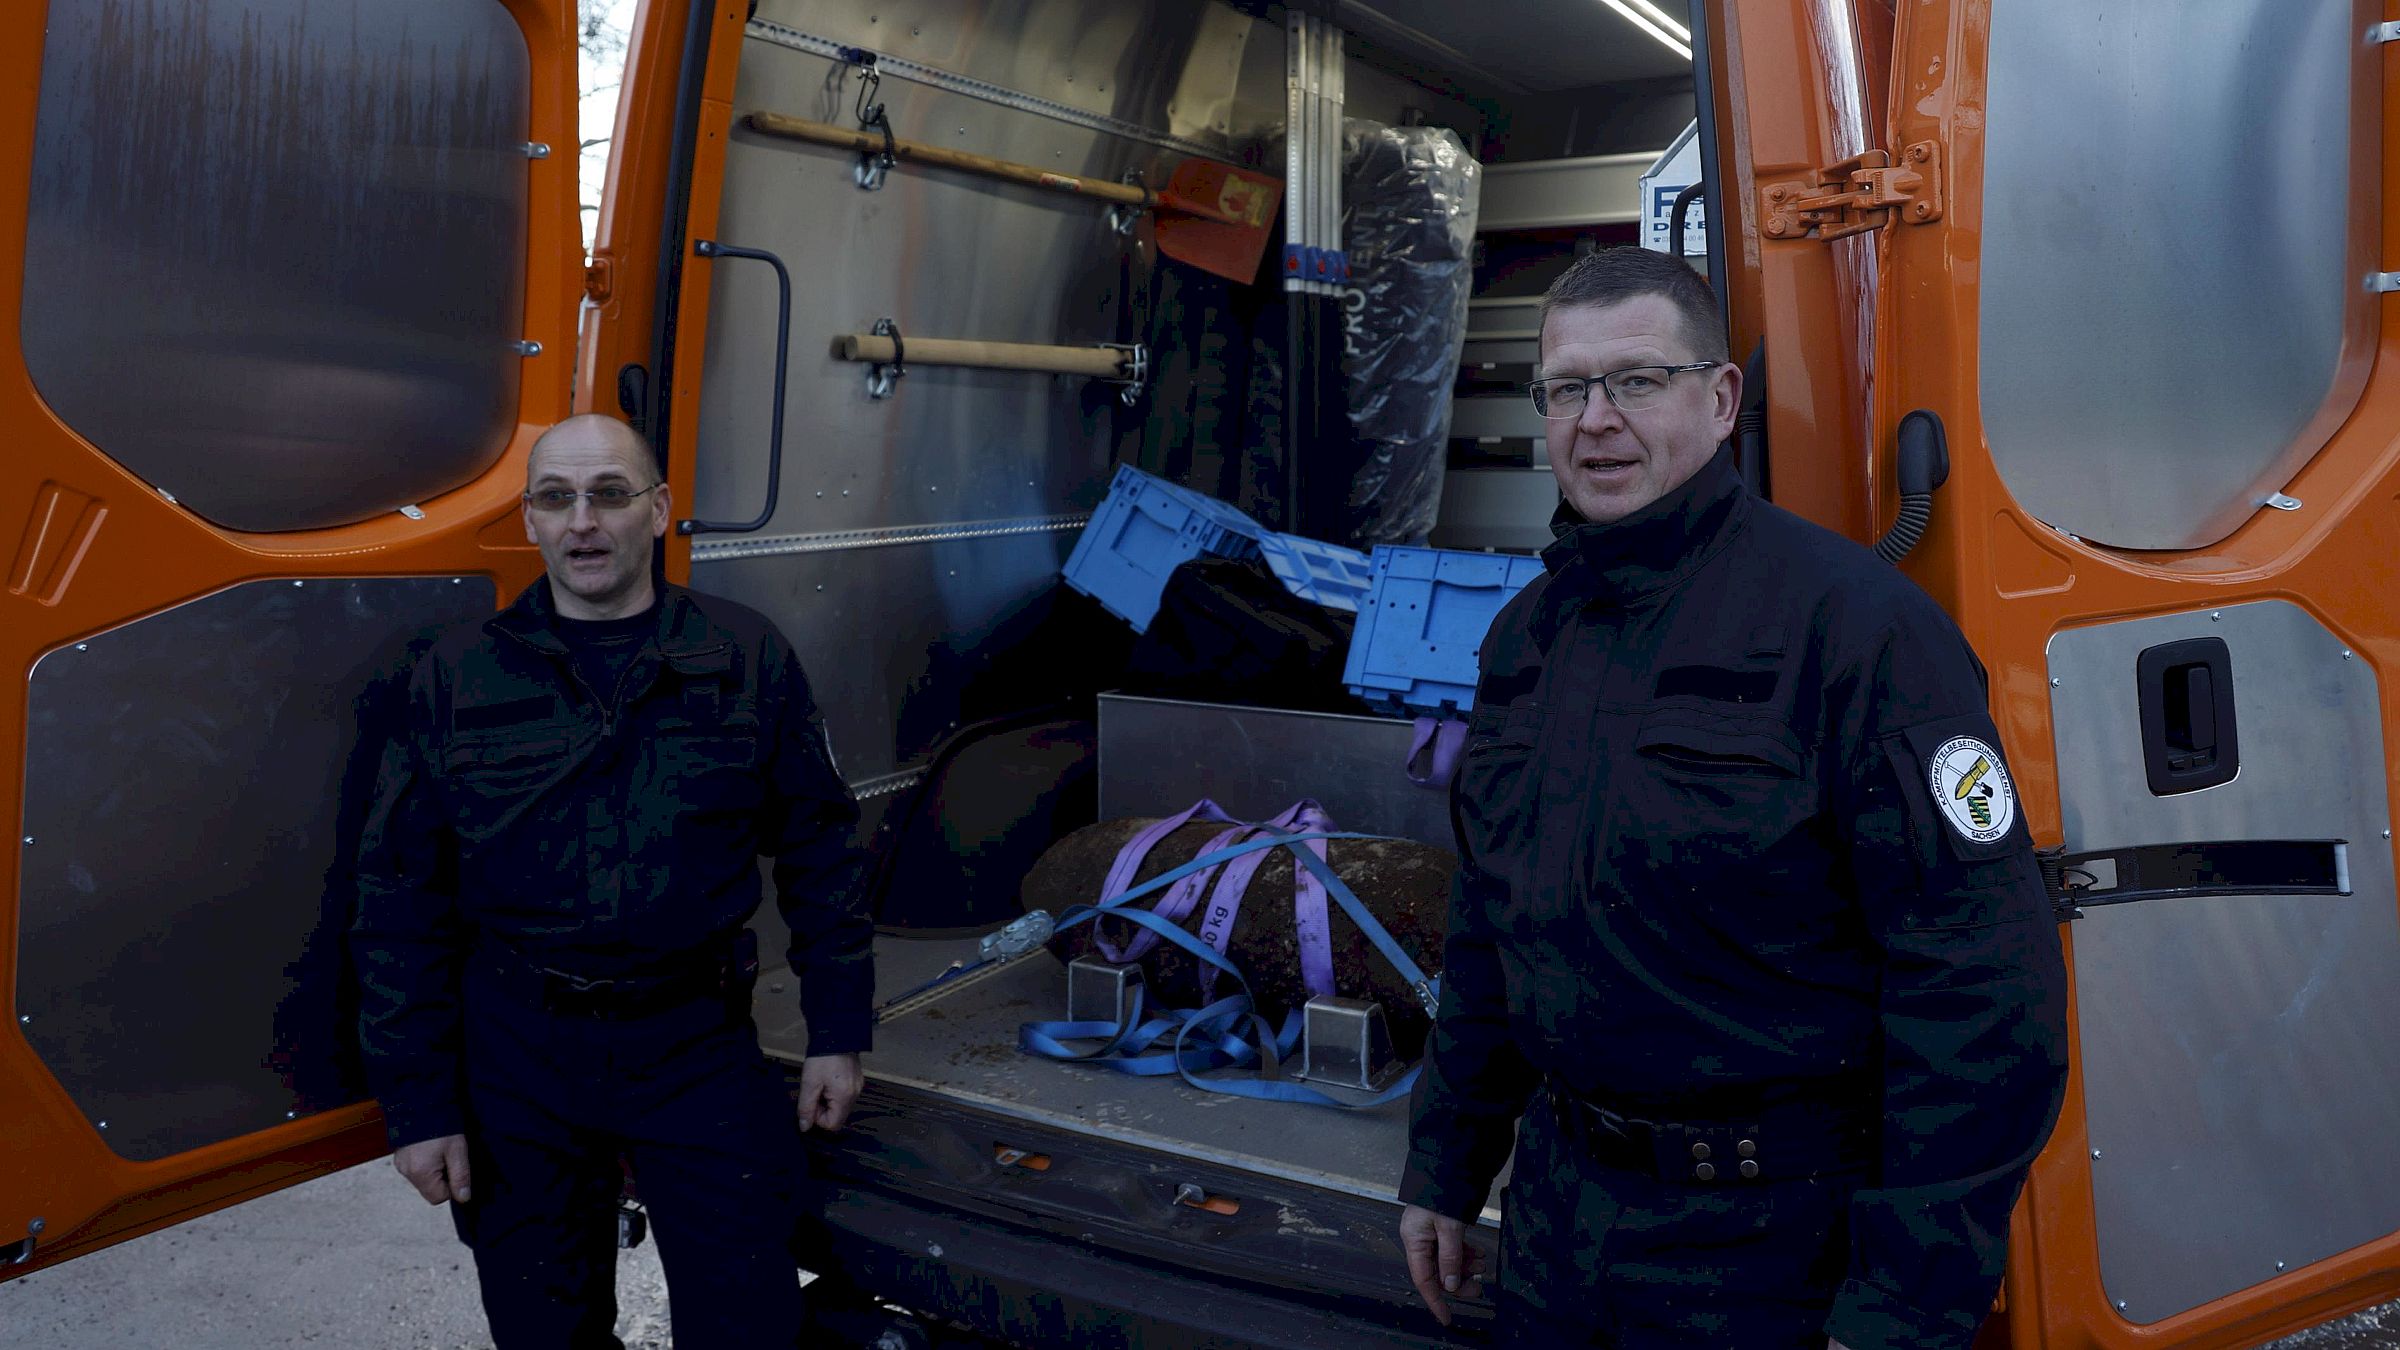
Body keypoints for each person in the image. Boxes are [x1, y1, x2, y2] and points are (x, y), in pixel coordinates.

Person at [1396, 247, 2068, 1350]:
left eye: (1638, 380)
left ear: (1719, 402)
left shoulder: (1857, 630)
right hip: (1562, 1228)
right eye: (1567, 388)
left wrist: (1902, 1305)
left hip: (1773, 1255)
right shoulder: (1529, 638)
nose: (1596, 420)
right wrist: (1447, 1162)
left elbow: (1983, 993)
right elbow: (1492, 928)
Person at [350, 413, 872, 1348]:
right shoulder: (458, 678)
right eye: (555, 499)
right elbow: (399, 904)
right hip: (517, 1058)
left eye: (609, 494)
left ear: (660, 510)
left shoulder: (744, 656)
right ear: (532, 521)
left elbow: (821, 851)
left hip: (695, 1045)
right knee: (542, 1330)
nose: (582, 521)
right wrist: (418, 1107)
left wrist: (838, 1028)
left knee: (749, 1323)